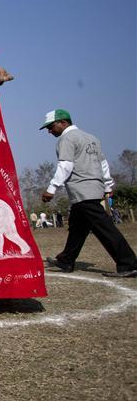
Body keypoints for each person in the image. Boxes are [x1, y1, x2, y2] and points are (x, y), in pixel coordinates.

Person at [39, 109, 136, 277]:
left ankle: (128, 263)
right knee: (78, 227)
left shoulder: (66, 138)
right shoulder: (92, 138)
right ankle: (66, 260)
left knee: (105, 228)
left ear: (63, 123)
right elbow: (103, 163)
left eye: (51, 126)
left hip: (82, 191)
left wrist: (51, 188)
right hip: (94, 188)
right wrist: (107, 186)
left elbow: (66, 165)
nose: (49, 131)